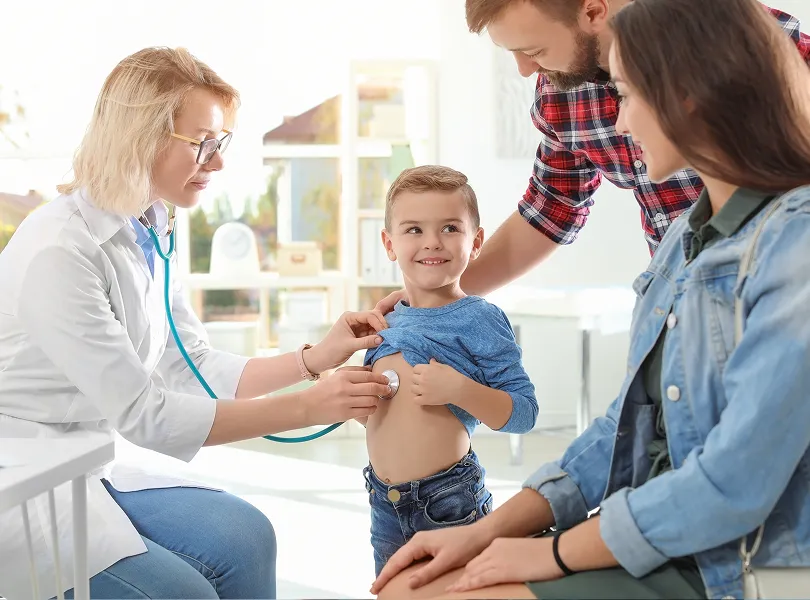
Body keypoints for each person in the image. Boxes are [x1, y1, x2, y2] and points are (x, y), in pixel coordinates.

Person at [369, 0, 810, 598]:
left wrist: (551, 552)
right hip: (675, 517)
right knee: (408, 587)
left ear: (689, 94)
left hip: (751, 559)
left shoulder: (790, 246)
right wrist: (487, 534)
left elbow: (732, 482)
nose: (618, 127)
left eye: (626, 96)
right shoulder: (679, 248)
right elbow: (624, 427)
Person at [0, 46, 392, 600]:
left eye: (220, 142)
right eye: (203, 143)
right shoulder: (58, 252)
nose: (219, 161)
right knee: (184, 593)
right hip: (22, 481)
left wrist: (315, 359)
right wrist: (312, 404)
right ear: (140, 137)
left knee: (246, 536)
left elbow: (191, 363)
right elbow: (146, 415)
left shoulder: (147, 225)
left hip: (84, 467)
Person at [375, 0, 810, 315]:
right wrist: (432, 297)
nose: (525, 70)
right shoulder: (561, 89)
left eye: (534, 50)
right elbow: (551, 209)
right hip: (683, 306)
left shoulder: (757, 43)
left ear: (592, 11)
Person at [359, 165, 538, 577]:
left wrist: (460, 389)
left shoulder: (479, 318)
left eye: (450, 228)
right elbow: (382, 417)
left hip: (448, 502)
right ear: (389, 244)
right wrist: (356, 400)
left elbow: (524, 412)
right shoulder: (385, 320)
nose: (432, 242)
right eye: (414, 230)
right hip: (382, 500)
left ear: (476, 242)